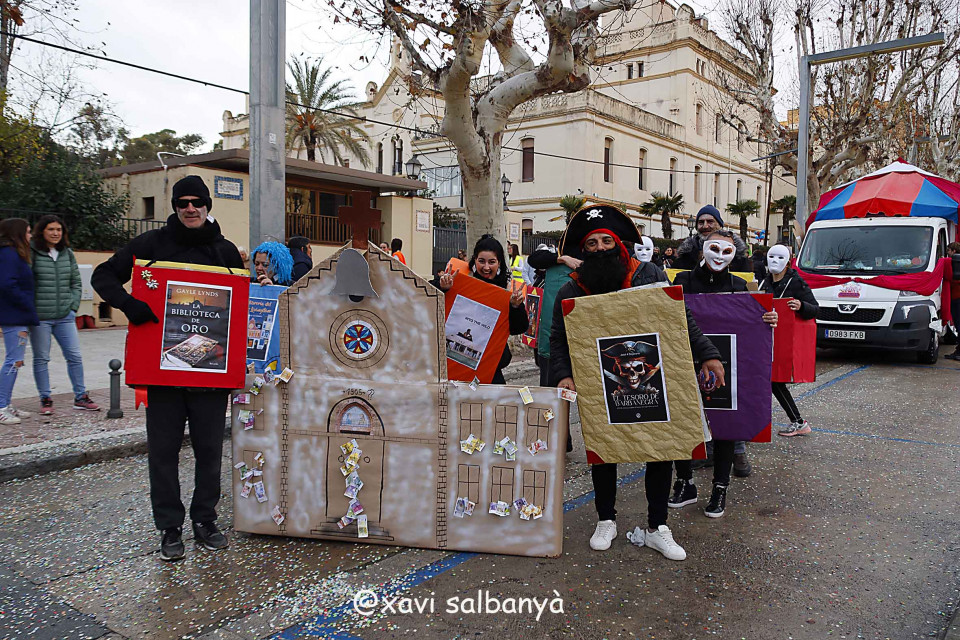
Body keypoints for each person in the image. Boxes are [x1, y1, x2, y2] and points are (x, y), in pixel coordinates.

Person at [549, 204, 724, 560]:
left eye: (606, 241)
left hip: (653, 378)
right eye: (592, 243)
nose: (600, 248)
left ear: (619, 243)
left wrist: (708, 354)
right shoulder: (571, 290)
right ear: (584, 249)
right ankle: (606, 519)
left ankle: (657, 526)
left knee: (659, 446)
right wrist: (563, 374)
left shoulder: (649, 274)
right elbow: (558, 338)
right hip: (601, 384)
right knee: (603, 447)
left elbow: (681, 317)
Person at [92, 175, 244, 562]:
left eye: (197, 202)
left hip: (210, 374)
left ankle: (205, 520)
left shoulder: (225, 251)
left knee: (210, 452)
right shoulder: (150, 244)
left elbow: (240, 305)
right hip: (163, 374)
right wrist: (130, 305)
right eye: (182, 203)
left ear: (207, 206)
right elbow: (103, 275)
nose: (190, 208)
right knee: (163, 453)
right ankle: (169, 527)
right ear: (174, 207)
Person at [669, 230, 778, 518]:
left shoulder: (739, 286)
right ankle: (685, 482)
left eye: (727, 251)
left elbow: (751, 325)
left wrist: (768, 317)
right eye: (714, 248)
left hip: (726, 362)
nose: (719, 256)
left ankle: (720, 487)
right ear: (701, 249)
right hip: (686, 359)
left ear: (735, 255)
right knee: (683, 420)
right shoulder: (682, 282)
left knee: (726, 422)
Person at [436, 234, 528, 384]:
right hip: (450, 367)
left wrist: (515, 306)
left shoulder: (508, 290)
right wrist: (442, 287)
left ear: (499, 263)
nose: (486, 267)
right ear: (474, 260)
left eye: (492, 262)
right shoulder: (457, 280)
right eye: (481, 261)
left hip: (489, 370)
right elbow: (426, 300)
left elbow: (518, 328)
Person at [30, 215, 98, 415]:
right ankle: (45, 398)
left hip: (64, 316)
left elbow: (76, 282)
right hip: (40, 317)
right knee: (42, 358)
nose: (55, 233)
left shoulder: (67, 253)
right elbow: (26, 283)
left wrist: (73, 307)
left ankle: (80, 396)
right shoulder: (32, 253)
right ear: (42, 231)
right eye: (51, 229)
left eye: (59, 230)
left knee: (74, 356)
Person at [759, 243, 818, 435]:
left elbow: (815, 309)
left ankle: (799, 422)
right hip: (763, 339)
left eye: (780, 257)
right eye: (771, 256)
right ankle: (759, 423)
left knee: (774, 381)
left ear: (788, 262)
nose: (774, 261)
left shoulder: (796, 282)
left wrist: (801, 306)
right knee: (765, 380)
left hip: (782, 342)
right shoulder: (764, 281)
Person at [0, 218, 38, 425]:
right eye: (28, 231)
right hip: (14, 315)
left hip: (17, 314)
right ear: (18, 233)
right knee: (13, 361)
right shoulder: (9, 254)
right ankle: (1, 406)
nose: (30, 235)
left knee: (16, 361)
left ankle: (6, 403)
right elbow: (7, 284)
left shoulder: (12, 253)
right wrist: (25, 302)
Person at [673, 205, 751, 272]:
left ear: (720, 225)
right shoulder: (686, 255)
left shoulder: (738, 256)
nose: (705, 226)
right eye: (701, 222)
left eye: (710, 222)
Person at [945, 242, 960, 361]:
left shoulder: (954, 263)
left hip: (957, 297)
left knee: (959, 324)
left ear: (954, 251)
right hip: (956, 296)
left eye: (949, 250)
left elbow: (951, 277)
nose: (947, 253)